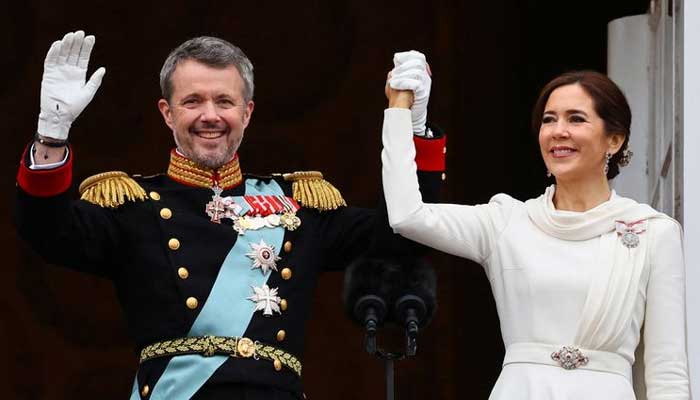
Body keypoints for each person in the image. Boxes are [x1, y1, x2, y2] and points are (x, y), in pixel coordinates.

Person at [14, 32, 446, 400]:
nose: (210, 116)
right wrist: (52, 134)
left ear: (247, 112)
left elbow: (405, 233)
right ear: (167, 113)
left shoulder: (301, 205)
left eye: (224, 101)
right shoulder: (133, 207)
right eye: (192, 101)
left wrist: (415, 130)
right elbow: (46, 231)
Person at [381, 52, 689, 399]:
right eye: (548, 120)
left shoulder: (653, 232)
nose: (558, 131)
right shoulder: (506, 222)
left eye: (576, 119)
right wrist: (403, 114)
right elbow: (408, 215)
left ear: (614, 140)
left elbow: (667, 372)